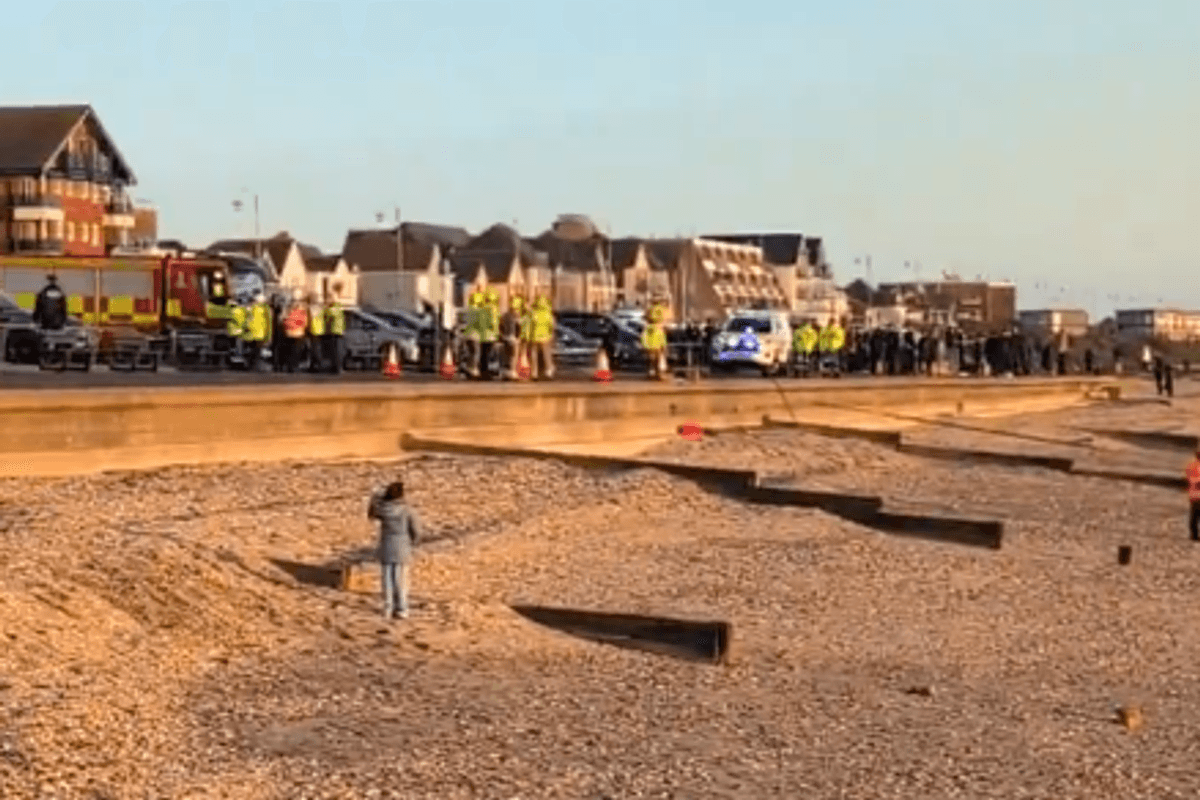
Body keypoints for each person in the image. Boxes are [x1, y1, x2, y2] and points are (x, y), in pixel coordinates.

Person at [368, 481, 421, 619]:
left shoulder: (383, 510)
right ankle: (402, 609)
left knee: (387, 581)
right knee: (400, 581)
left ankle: (388, 607)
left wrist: (374, 497)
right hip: (402, 546)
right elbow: (416, 531)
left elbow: (371, 514)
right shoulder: (407, 510)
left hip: (386, 546)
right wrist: (413, 542)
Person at [641, 299, 668, 380]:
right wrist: (663, 345)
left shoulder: (649, 326)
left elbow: (644, 336)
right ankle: (656, 374)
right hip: (656, 346)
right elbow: (661, 336)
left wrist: (644, 344)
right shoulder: (659, 326)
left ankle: (651, 373)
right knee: (656, 360)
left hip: (651, 346)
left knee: (651, 360)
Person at [530, 295, 555, 380]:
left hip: (535, 336)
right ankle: (549, 371)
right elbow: (552, 326)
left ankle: (534, 373)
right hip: (545, 336)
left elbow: (531, 326)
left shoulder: (534, 313)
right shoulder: (548, 314)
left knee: (534, 355)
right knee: (547, 354)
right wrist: (551, 336)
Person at [282, 292, 308, 373]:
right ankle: (294, 367)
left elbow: (284, 319)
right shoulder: (302, 309)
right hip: (298, 332)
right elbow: (304, 321)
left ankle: (290, 367)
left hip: (290, 332)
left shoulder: (288, 309)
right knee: (296, 351)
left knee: (291, 351)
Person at [324, 293, 346, 375]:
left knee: (337, 351)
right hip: (337, 331)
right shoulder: (338, 306)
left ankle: (337, 368)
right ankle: (336, 368)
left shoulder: (335, 307)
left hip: (337, 332)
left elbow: (330, 313)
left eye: (331, 298)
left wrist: (326, 306)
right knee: (336, 351)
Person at [307, 293, 326, 373]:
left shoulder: (310, 308)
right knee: (316, 348)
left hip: (313, 330)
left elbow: (309, 319)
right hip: (320, 330)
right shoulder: (320, 308)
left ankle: (319, 365)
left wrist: (307, 328)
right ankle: (313, 365)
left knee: (314, 349)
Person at [1187, 449, 1200, 541]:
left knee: (1194, 516)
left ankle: (1194, 534)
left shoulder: (1192, 466)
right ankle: (1194, 535)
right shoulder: (1193, 466)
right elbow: (1191, 479)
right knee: (1194, 517)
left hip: (1194, 495)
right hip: (1196, 495)